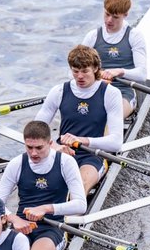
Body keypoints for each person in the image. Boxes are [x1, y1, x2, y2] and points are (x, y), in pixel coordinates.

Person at [0, 119, 87, 250]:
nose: (33, 153)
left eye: (39, 148)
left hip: (52, 228)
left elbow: (81, 205)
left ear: (51, 144)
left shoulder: (65, 162)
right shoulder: (16, 164)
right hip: (22, 225)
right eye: (29, 147)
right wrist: (14, 219)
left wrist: (46, 208)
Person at [37, 44, 124, 195]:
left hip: (93, 155)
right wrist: (53, 146)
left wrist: (82, 140)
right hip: (63, 151)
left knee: (78, 189)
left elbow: (116, 143)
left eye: (85, 71)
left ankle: (72, 214)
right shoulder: (58, 91)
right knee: (38, 187)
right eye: (75, 71)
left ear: (96, 68)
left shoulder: (110, 93)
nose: (80, 77)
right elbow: (36, 131)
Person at [82, 0, 150, 117]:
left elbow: (142, 74)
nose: (109, 20)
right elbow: (73, 72)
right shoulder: (92, 37)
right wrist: (95, 77)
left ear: (125, 15)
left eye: (115, 17)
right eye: (107, 14)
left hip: (124, 91)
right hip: (96, 89)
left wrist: (120, 71)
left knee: (110, 115)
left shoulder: (134, 36)